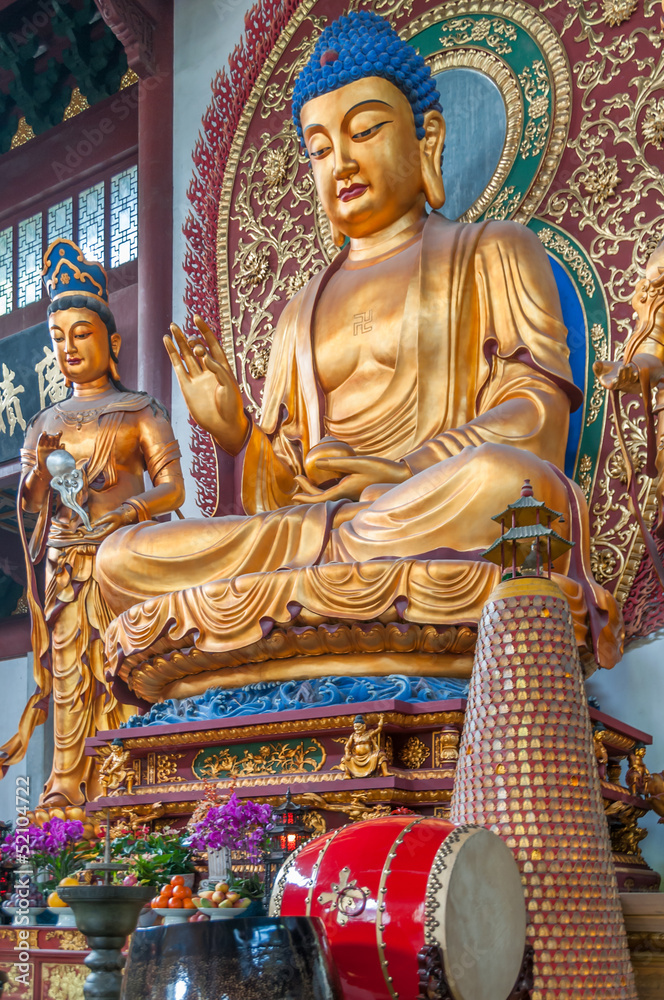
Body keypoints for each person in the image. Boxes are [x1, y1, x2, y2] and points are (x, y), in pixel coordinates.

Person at [97, 11, 621, 686]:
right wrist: (239, 435)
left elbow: (537, 421)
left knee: (503, 485)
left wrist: (398, 472)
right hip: (321, 536)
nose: (340, 163)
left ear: (425, 136)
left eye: (365, 130)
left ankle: (310, 600)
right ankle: (325, 585)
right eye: (317, 149)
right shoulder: (299, 313)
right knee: (121, 558)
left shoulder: (492, 251)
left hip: (422, 510)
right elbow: (285, 491)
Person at [0, 239, 184, 806]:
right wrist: (37, 475)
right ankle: (67, 788)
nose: (68, 348)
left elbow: (172, 489)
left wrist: (127, 514)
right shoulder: (45, 422)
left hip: (120, 559)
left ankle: (129, 785)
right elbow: (31, 502)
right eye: (58, 338)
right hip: (64, 564)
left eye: (81, 333)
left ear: (113, 341)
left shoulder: (140, 410)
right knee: (68, 679)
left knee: (121, 666)